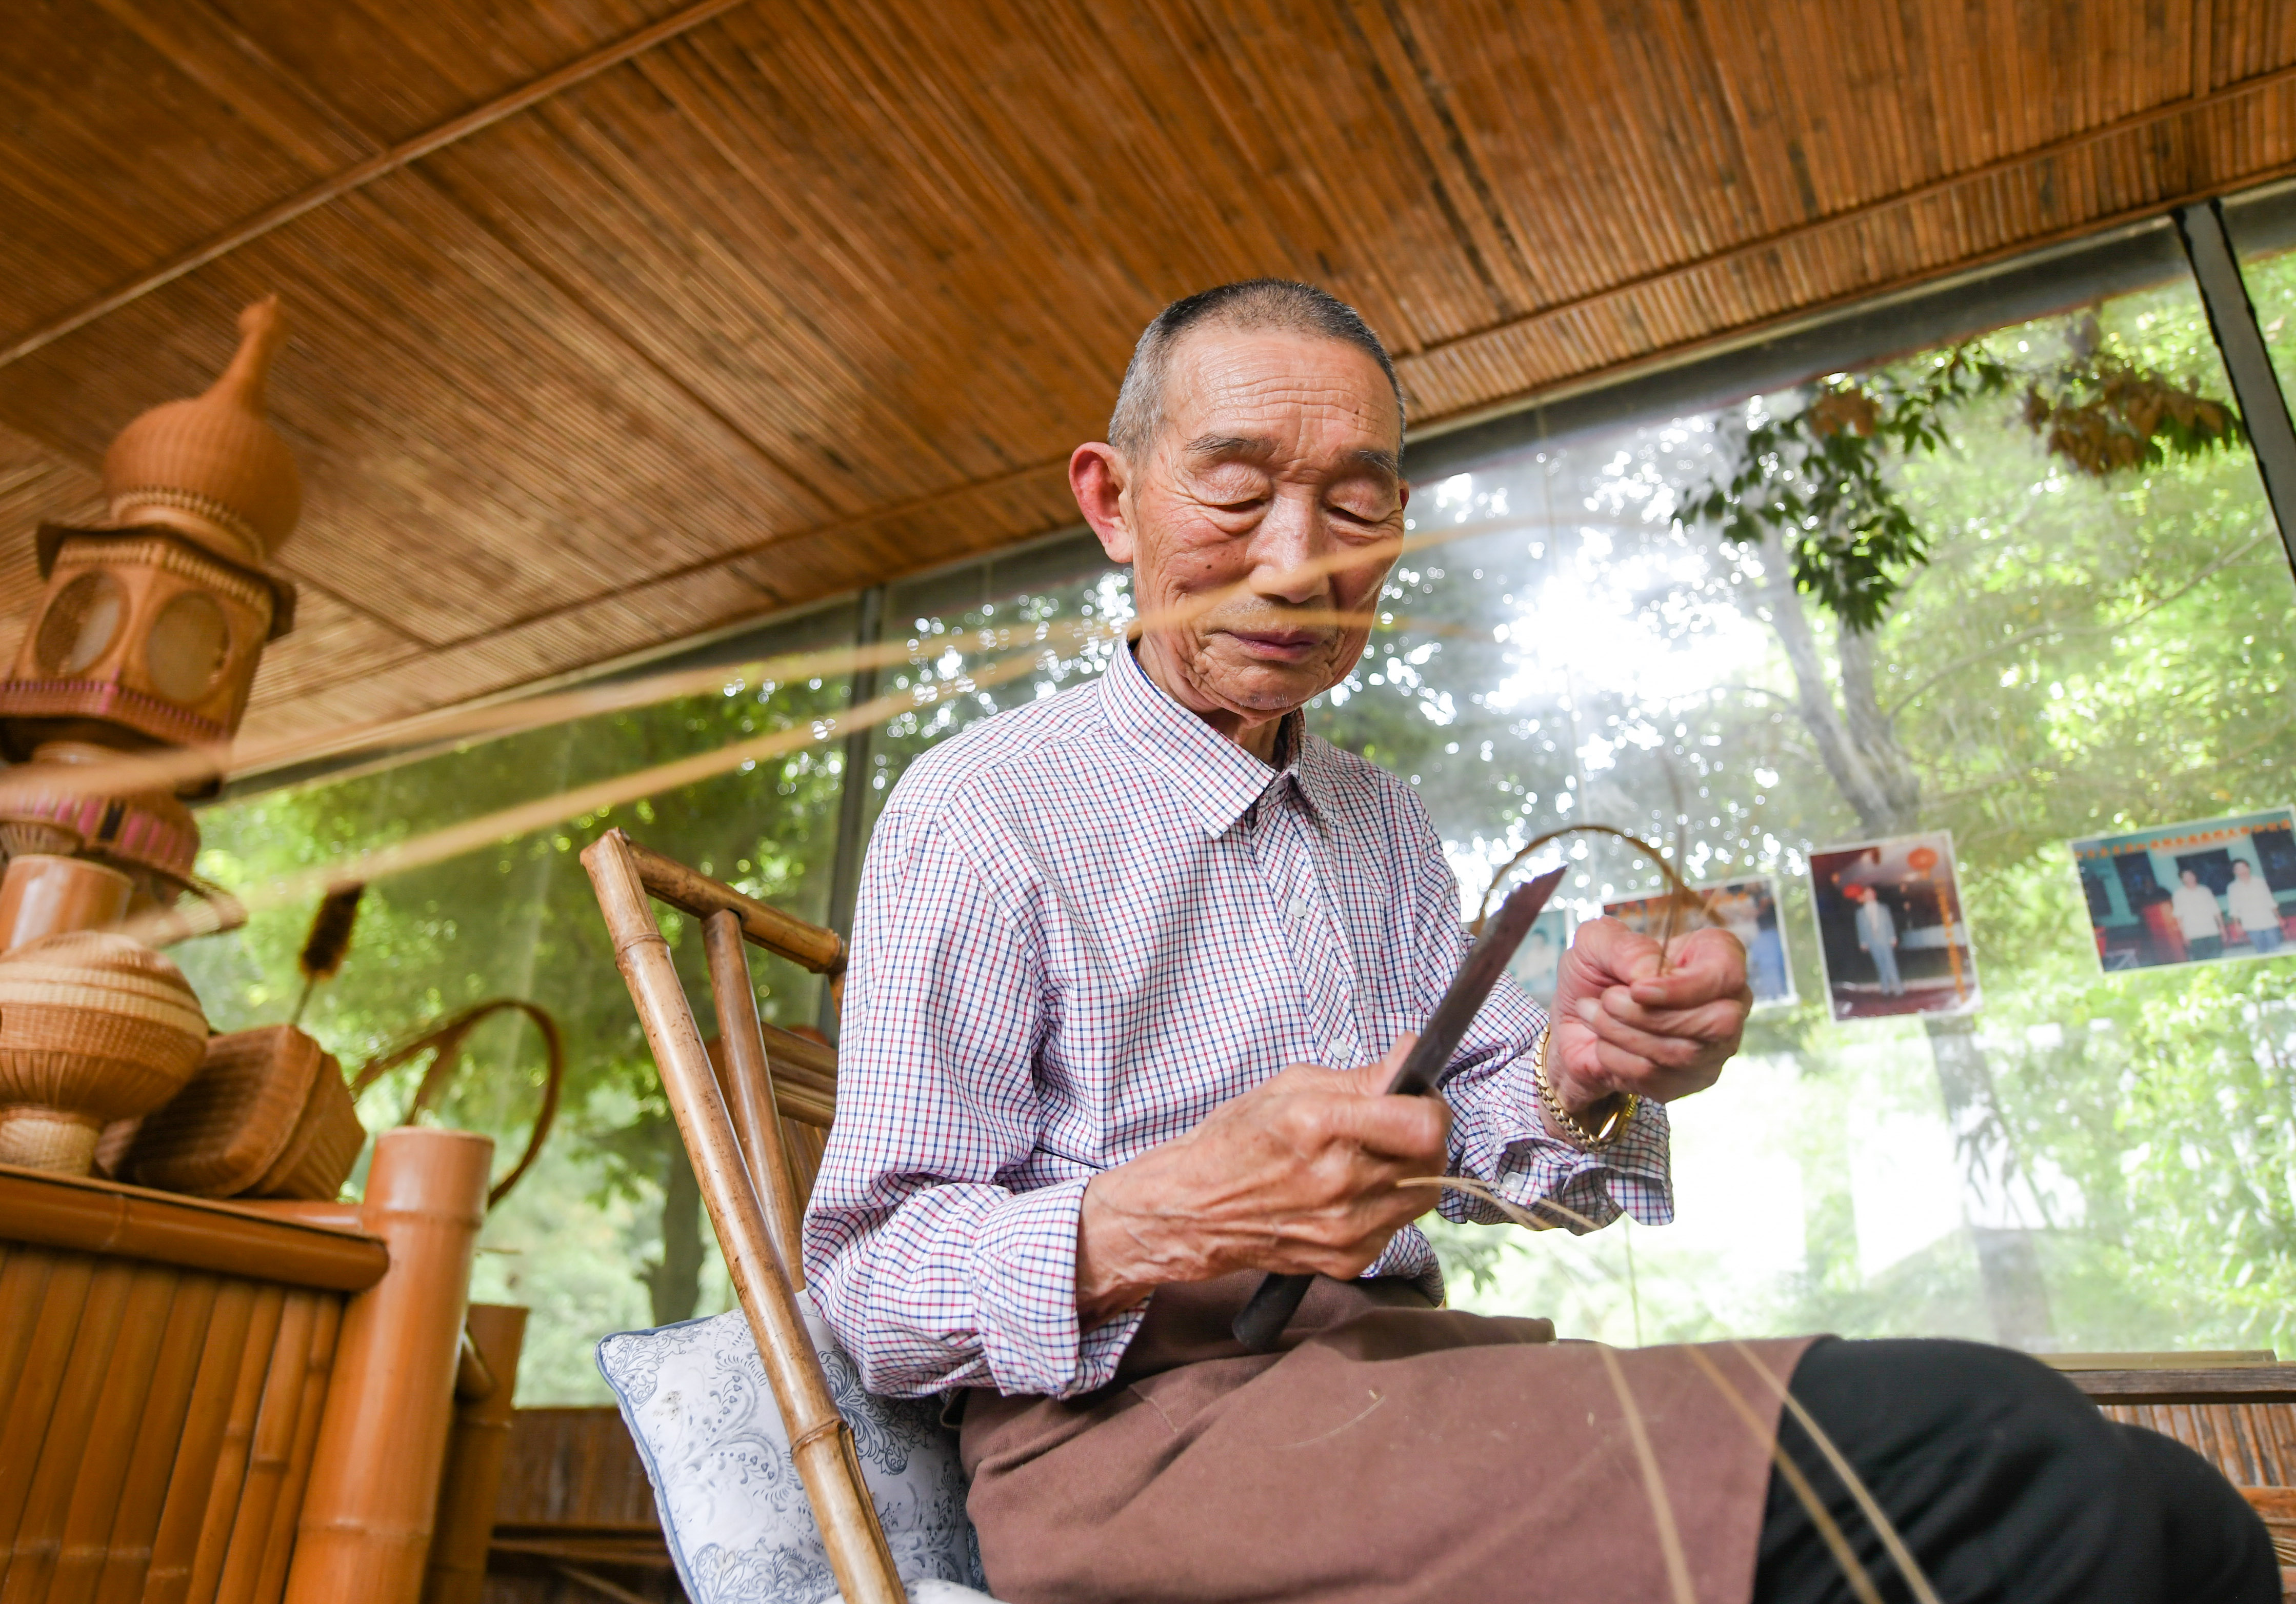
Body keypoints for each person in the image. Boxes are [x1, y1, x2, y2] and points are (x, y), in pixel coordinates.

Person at [805, 280, 2274, 1604]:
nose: (1296, 562)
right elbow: (872, 1277)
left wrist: (1588, 1067)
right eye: (1234, 489)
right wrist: (1167, 1217)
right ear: (1113, 503)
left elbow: (1496, 1140)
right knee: (2004, 1455)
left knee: (2183, 1519)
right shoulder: (982, 807)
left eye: (1356, 506)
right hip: (1139, 1447)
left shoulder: (1372, 817)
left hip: (1387, 1381)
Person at [1849, 882, 1904, 996]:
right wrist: (1863, 942)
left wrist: (1893, 937)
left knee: (1890, 963)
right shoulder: (1860, 913)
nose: (1870, 896)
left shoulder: (1883, 908)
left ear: (1875, 895)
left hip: (1885, 940)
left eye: (1872, 894)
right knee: (1880, 965)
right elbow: (1860, 928)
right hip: (1872, 942)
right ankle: (1885, 990)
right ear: (1864, 896)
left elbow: (1889, 923)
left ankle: (1899, 990)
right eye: (1867, 894)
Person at [2226, 858, 2284, 955]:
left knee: (2276, 949)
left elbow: (2270, 900)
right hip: (2251, 924)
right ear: (2235, 872)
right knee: (2261, 952)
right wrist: (2237, 924)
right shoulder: (2233, 887)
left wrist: (2279, 917)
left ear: (2248, 868)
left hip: (2269, 921)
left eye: (2244, 867)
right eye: (2238, 869)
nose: (2242, 871)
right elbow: (2234, 907)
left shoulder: (2260, 882)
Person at [2172, 867, 2227, 961]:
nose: (2189, 878)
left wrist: (2222, 927)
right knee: (2201, 961)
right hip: (2194, 934)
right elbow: (2179, 917)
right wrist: (2184, 935)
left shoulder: (2205, 891)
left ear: (2195, 876)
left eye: (2191, 875)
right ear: (2182, 880)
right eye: (2186, 877)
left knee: (2217, 958)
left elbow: (2216, 911)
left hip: (2212, 931)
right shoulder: (2178, 894)